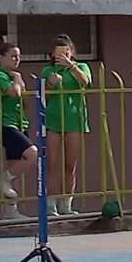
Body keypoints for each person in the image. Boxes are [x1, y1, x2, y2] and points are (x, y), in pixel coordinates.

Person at [41, 36, 94, 216]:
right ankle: (51, 204)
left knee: (70, 164)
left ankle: (66, 204)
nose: (62, 57)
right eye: (58, 54)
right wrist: (50, 84)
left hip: (74, 119)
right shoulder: (48, 70)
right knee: (52, 163)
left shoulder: (81, 67)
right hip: (53, 119)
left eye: (66, 53)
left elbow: (85, 82)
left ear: (72, 53)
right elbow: (43, 98)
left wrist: (71, 66)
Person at [0, 40, 38, 221]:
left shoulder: (13, 76)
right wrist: (17, 81)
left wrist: (20, 83)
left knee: (15, 165)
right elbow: (13, 93)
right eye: (13, 56)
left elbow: (25, 102)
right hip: (5, 124)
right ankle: (3, 178)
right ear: (1, 58)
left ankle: (11, 211)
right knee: (33, 155)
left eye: (19, 56)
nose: (17, 60)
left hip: (20, 123)